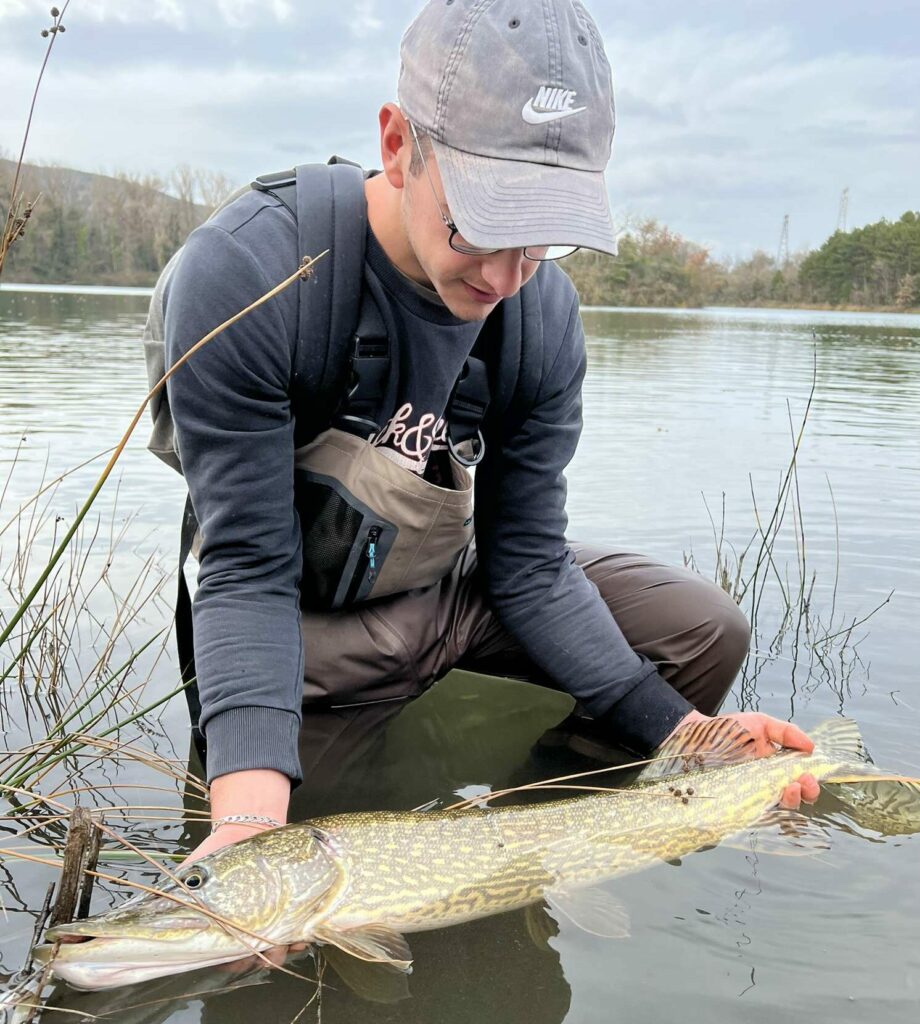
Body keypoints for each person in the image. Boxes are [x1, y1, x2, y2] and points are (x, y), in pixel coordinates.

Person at [165, 0, 819, 875]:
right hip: (303, 620)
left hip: (454, 588)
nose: (509, 276)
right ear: (399, 145)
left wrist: (691, 737)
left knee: (702, 632)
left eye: (544, 234)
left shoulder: (540, 317)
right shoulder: (249, 275)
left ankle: (532, 836)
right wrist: (248, 814)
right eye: (482, 221)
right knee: (294, 853)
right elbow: (245, 569)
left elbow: (528, 564)